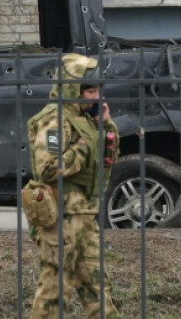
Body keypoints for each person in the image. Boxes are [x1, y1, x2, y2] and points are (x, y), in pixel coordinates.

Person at [26, 53, 120, 319]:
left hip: (85, 216)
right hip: (62, 219)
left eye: (98, 90)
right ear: (72, 90)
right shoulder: (55, 121)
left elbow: (108, 158)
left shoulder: (85, 119)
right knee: (54, 291)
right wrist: (83, 147)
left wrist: (105, 125)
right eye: (90, 91)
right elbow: (47, 168)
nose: (97, 96)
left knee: (97, 288)